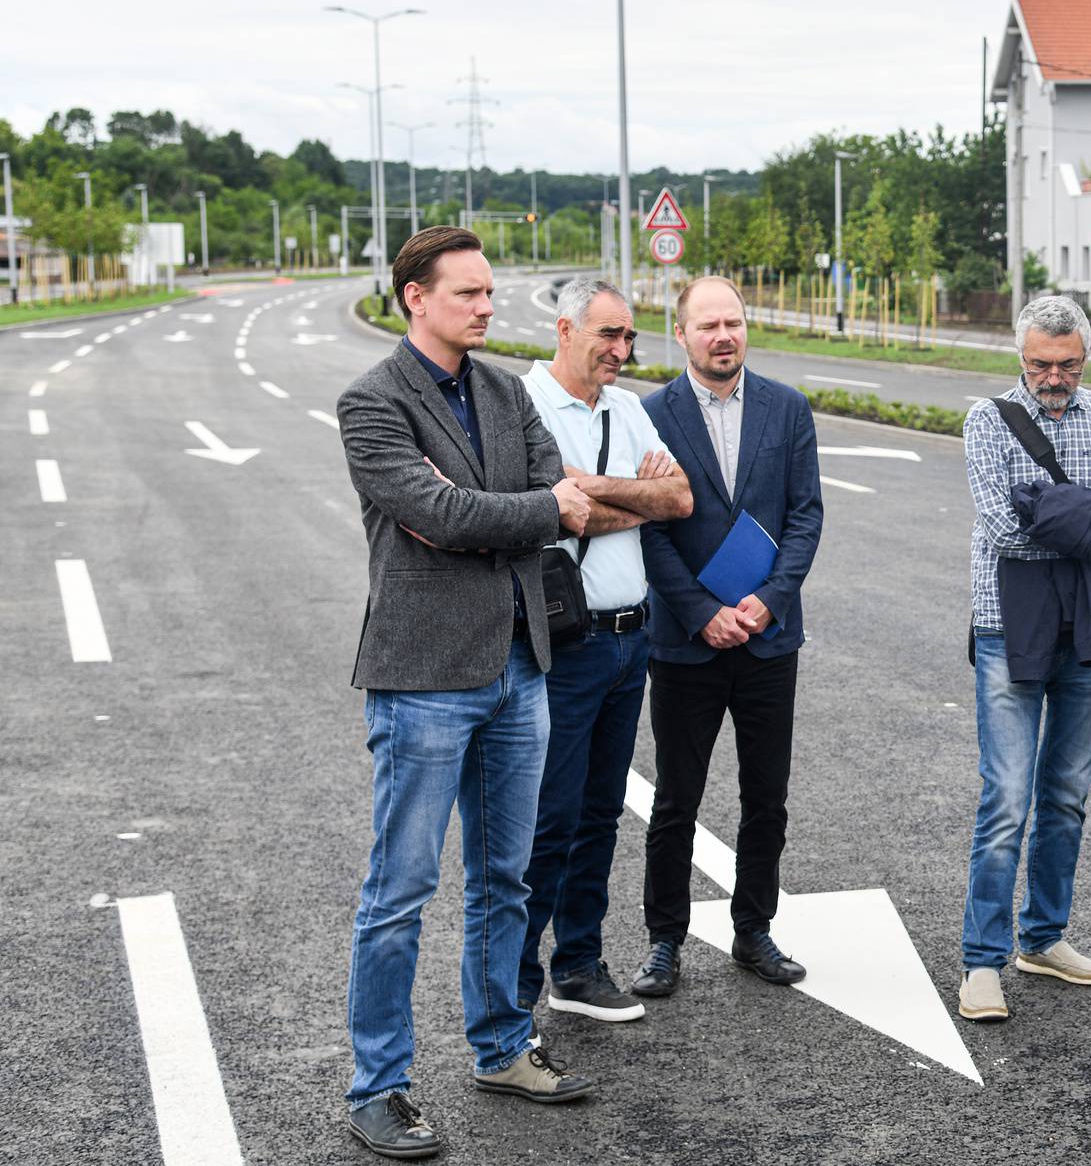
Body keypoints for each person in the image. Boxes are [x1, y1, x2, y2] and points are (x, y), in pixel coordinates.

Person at [336, 226, 595, 1160]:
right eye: (469, 294)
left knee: (506, 878)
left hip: (519, 664)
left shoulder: (505, 388)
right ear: (415, 296)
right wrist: (523, 511)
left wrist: (509, 513)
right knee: (400, 888)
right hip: (422, 679)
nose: (488, 307)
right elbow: (437, 512)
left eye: (490, 293)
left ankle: (500, 1046)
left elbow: (549, 497)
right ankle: (379, 1086)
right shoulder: (371, 401)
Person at [631, 275, 823, 997]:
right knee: (676, 797)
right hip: (685, 642)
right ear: (679, 333)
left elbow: (806, 515)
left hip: (768, 639)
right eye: (708, 324)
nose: (724, 335)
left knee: (765, 796)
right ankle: (663, 941)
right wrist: (698, 609)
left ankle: (753, 930)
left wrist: (768, 603)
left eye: (734, 322)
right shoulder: (648, 416)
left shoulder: (788, 408)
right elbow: (645, 529)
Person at [957, 294, 1091, 1023]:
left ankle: (1043, 936)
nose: (1053, 376)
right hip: (1009, 622)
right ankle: (981, 959)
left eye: (1066, 364)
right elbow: (1002, 528)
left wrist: (1055, 506)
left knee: (1065, 794)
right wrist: (1089, 505)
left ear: (1085, 359)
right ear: (1021, 356)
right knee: (1006, 800)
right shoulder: (986, 420)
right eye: (1040, 363)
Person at [516, 278, 692, 1025]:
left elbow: (679, 498)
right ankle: (514, 981)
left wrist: (591, 489)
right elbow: (560, 512)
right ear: (565, 329)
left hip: (631, 641)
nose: (621, 350)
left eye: (630, 337)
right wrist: (618, 499)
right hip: (567, 644)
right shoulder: (524, 407)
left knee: (599, 813)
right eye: (608, 335)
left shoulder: (628, 407)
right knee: (547, 816)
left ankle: (579, 966)